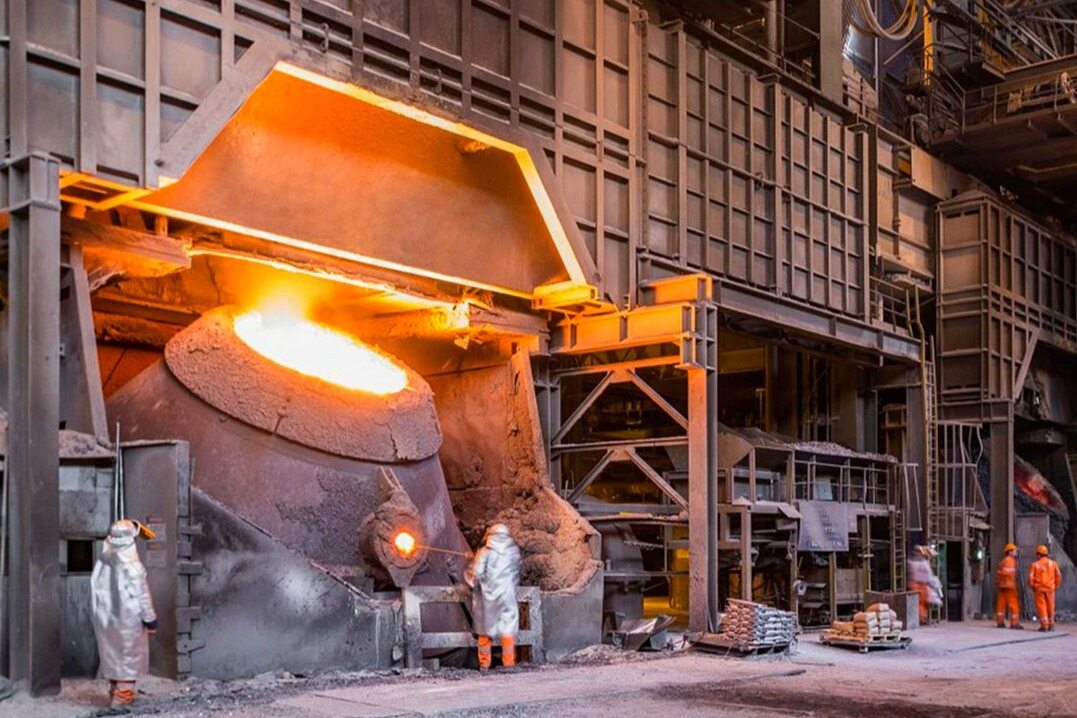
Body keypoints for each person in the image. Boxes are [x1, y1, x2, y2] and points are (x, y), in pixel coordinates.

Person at [91, 519, 158, 707]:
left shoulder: (104, 560)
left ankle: (114, 690)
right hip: (129, 620)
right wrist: (150, 619)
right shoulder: (132, 567)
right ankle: (122, 697)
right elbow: (142, 595)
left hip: (106, 618)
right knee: (129, 659)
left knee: (112, 655)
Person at [465, 523, 522, 670]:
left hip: (488, 596)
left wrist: (470, 581)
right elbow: (517, 572)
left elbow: (476, 573)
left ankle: (484, 664)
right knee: (507, 629)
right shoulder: (513, 551)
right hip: (507, 595)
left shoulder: (485, 552)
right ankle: (509, 663)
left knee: (485, 629)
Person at [1029, 544, 1063, 632]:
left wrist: (1033, 586)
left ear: (1039, 554)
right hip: (1050, 589)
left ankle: (1044, 625)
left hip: (1039, 589)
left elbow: (1031, 577)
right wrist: (1056, 586)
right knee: (1050, 607)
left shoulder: (1035, 565)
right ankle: (1051, 625)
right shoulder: (1053, 564)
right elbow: (1059, 576)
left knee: (1042, 607)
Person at [907, 544, 943, 624]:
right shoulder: (924, 563)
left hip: (914, 585)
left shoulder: (911, 562)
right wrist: (934, 583)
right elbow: (928, 576)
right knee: (922, 604)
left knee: (918, 604)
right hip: (921, 586)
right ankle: (921, 619)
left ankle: (920, 619)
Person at [995, 542, 1023, 629]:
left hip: (1002, 586)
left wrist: (999, 582)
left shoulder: (1003, 561)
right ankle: (1014, 623)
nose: (1016, 553)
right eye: (1014, 551)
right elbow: (1010, 574)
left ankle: (1000, 622)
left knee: (1001, 605)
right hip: (1010, 586)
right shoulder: (1011, 561)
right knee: (1013, 605)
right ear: (1009, 552)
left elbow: (999, 574)